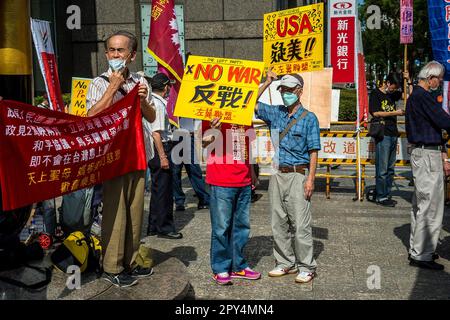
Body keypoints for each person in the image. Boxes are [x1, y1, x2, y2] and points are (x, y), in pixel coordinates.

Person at [86, 30, 156, 287]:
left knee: (135, 212)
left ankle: (132, 260)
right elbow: (91, 117)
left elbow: (150, 117)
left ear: (132, 55)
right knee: (115, 213)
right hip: (113, 158)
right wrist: (113, 88)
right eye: (112, 50)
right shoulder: (99, 82)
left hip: (138, 154)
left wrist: (142, 102)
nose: (116, 55)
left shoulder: (141, 81)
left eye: (121, 50)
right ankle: (112, 266)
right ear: (106, 54)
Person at [255, 70, 320, 284]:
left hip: (298, 174)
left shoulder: (309, 118)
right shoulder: (276, 113)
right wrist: (267, 82)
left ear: (300, 91)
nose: (285, 93)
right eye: (282, 90)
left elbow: (313, 151)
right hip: (277, 173)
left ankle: (307, 266)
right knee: (278, 221)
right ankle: (285, 262)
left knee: (300, 223)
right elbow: (250, 103)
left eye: (290, 90)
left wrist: (311, 179)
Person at [202, 118, 261, 285]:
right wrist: (214, 131)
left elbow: (247, 148)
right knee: (221, 228)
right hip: (221, 180)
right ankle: (220, 267)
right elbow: (203, 143)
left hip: (243, 180)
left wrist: (252, 173)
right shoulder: (211, 114)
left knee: (241, 227)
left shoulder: (246, 117)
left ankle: (238, 266)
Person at [405, 61, 450, 271]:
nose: (439, 83)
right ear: (430, 77)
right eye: (439, 78)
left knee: (421, 204)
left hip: (422, 152)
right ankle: (422, 253)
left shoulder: (416, 96)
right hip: (426, 153)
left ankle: (419, 249)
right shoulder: (423, 96)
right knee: (430, 205)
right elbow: (443, 120)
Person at [147, 73, 183, 240]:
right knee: (164, 191)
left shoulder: (151, 101)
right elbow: (156, 134)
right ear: (166, 87)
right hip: (161, 148)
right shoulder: (159, 105)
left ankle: (154, 225)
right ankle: (165, 227)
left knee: (157, 189)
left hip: (155, 149)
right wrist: (163, 157)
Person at [369, 73, 404, 207]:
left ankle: (387, 194)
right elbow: (375, 113)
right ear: (387, 83)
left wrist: (408, 81)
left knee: (390, 168)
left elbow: (408, 96)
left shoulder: (392, 94)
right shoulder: (375, 94)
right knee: (382, 168)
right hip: (383, 134)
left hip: (393, 133)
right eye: (393, 88)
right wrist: (394, 113)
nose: (394, 91)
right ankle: (381, 196)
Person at [172, 117, 210, 211]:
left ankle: (203, 198)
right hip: (174, 135)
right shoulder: (170, 102)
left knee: (194, 170)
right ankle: (179, 201)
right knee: (175, 171)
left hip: (188, 135)